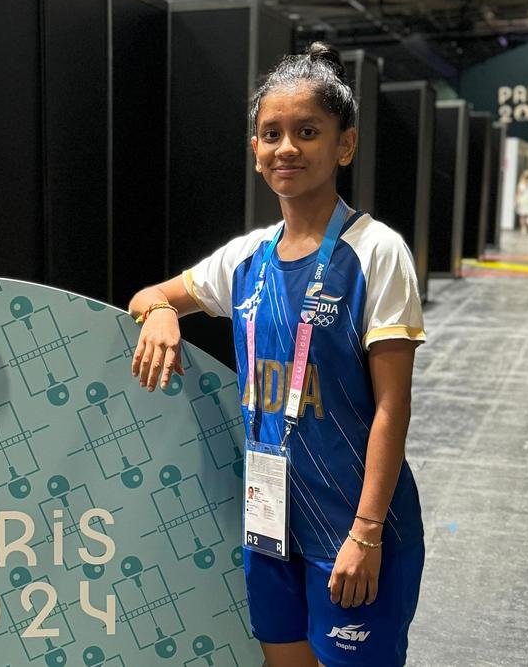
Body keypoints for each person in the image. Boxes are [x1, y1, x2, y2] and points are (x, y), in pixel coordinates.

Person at [128, 42, 425, 667]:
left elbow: (392, 407)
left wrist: (367, 533)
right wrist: (160, 312)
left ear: (345, 145)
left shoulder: (376, 251)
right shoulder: (246, 258)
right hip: (270, 520)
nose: (286, 147)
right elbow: (151, 294)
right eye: (271, 134)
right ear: (256, 150)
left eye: (307, 132)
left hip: (353, 525)